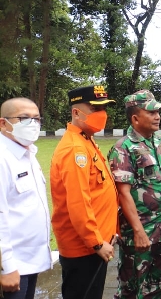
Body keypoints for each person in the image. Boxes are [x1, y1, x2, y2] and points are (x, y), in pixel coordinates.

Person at [107, 90, 161, 298]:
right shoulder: (123, 148)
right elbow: (123, 194)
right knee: (132, 288)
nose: (157, 116)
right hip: (142, 233)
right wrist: (138, 231)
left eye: (158, 111)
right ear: (135, 118)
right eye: (151, 112)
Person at [50, 85, 119, 299]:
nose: (102, 115)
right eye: (95, 109)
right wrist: (97, 242)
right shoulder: (75, 149)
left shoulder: (86, 140)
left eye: (104, 109)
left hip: (94, 244)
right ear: (76, 113)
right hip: (85, 247)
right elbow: (79, 203)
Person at [0, 98, 52, 299]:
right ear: (3, 123)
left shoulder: (28, 153)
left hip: (30, 262)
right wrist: (7, 267)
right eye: (24, 118)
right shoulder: (3, 158)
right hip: (12, 266)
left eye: (37, 119)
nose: (32, 124)